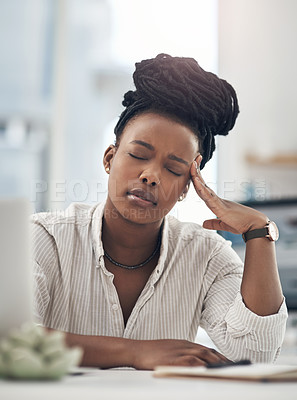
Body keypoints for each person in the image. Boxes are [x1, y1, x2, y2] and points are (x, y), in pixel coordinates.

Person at [32, 53, 288, 370]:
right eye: (139, 154)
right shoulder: (45, 239)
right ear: (109, 158)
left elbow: (256, 353)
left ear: (186, 188)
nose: (151, 175)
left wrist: (259, 231)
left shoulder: (207, 255)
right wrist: (135, 353)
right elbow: (10, 336)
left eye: (173, 168)